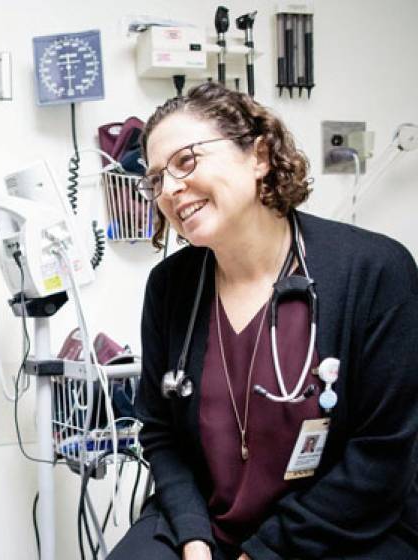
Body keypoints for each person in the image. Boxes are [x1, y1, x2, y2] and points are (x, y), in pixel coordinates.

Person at [109, 82, 418, 560]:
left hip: (338, 527)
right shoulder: (172, 286)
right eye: (155, 179)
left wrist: (265, 552)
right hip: (208, 524)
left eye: (186, 161)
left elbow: (381, 455)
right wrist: (192, 536)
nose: (169, 190)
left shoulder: (374, 270)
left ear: (258, 156)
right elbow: (160, 433)